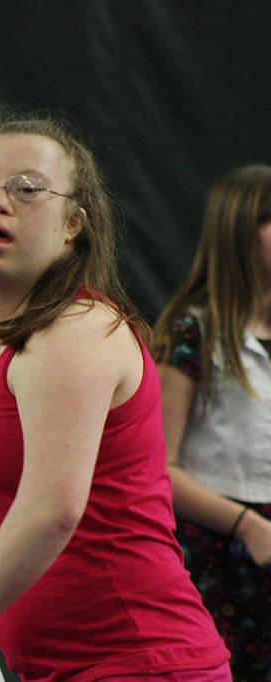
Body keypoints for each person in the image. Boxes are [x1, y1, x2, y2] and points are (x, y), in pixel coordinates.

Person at [0, 109, 230, 682]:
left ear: (74, 224)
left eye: (27, 189)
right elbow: (13, 518)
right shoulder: (15, 345)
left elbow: (52, 512)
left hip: (140, 666)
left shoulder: (75, 331)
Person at [153, 164, 271, 681]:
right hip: (220, 551)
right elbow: (159, 468)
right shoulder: (192, 334)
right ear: (242, 233)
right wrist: (247, 526)